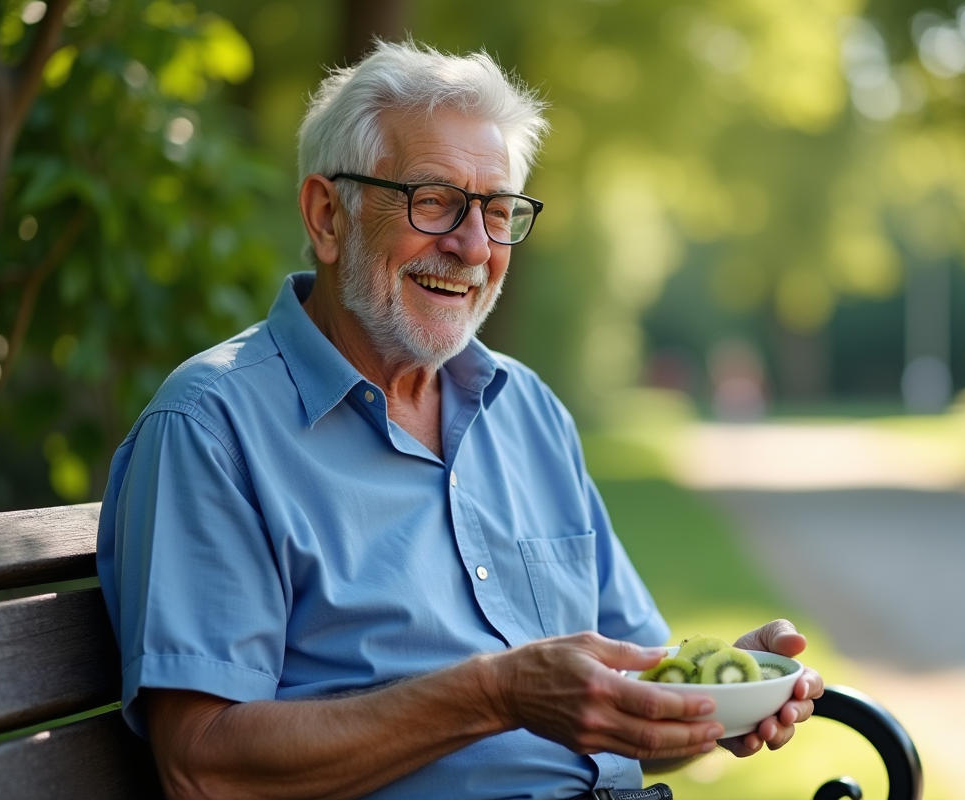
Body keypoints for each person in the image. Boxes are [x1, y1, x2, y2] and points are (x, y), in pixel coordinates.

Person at [96, 40, 823, 800]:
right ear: (327, 215)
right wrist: (493, 695)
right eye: (434, 200)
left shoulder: (529, 410)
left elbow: (625, 697)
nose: (473, 246)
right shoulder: (211, 427)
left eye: (499, 211)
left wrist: (720, 689)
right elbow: (204, 767)